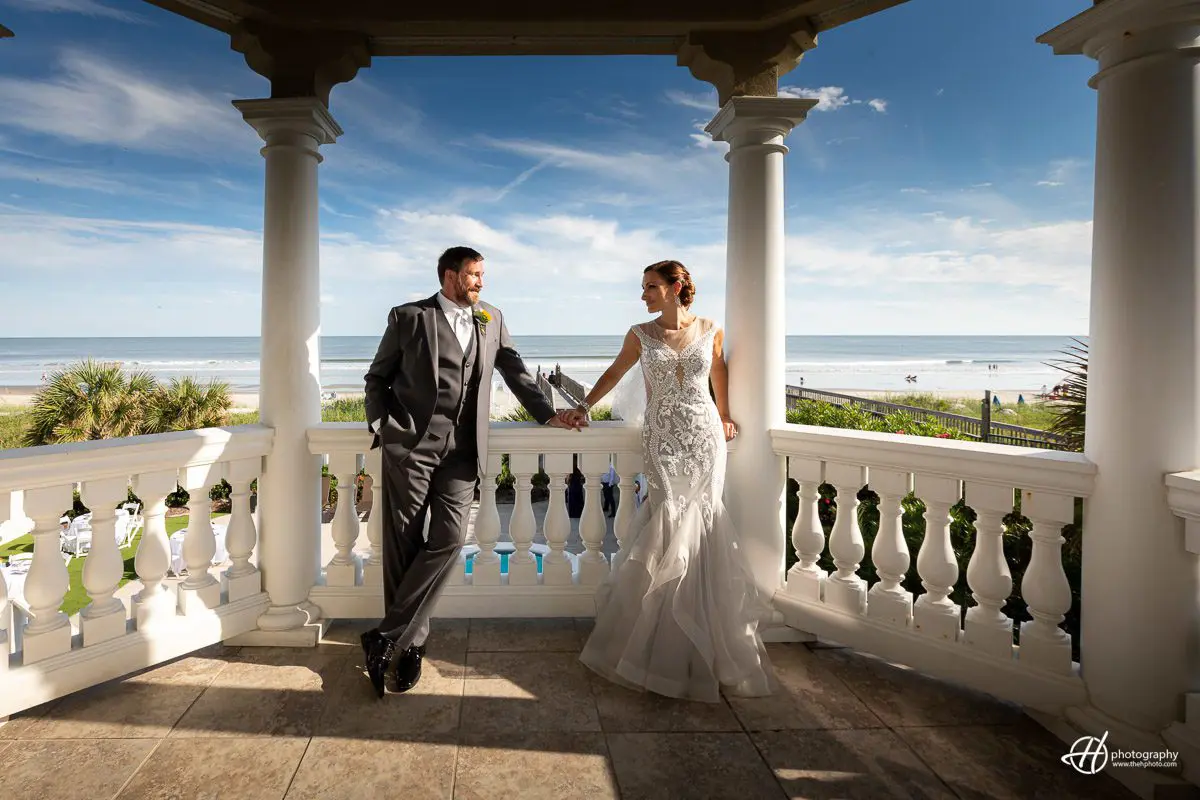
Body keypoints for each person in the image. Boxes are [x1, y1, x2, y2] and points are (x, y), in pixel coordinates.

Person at [361, 246, 583, 698]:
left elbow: (516, 372)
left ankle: (385, 636)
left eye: (483, 275)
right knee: (402, 545)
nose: (481, 282)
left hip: (463, 452)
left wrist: (549, 414)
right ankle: (409, 647)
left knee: (448, 539)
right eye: (473, 275)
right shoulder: (408, 317)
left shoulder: (492, 318)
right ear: (449, 275)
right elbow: (377, 378)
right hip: (411, 449)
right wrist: (382, 426)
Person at [565, 259, 776, 702]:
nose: (644, 295)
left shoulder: (711, 329)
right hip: (661, 440)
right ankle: (653, 642)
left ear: (677, 287)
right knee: (666, 521)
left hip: (704, 439)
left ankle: (705, 645)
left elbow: (718, 374)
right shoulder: (639, 334)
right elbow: (614, 373)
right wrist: (584, 406)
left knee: (703, 526)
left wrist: (723, 415)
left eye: (652, 286)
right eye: (644, 288)